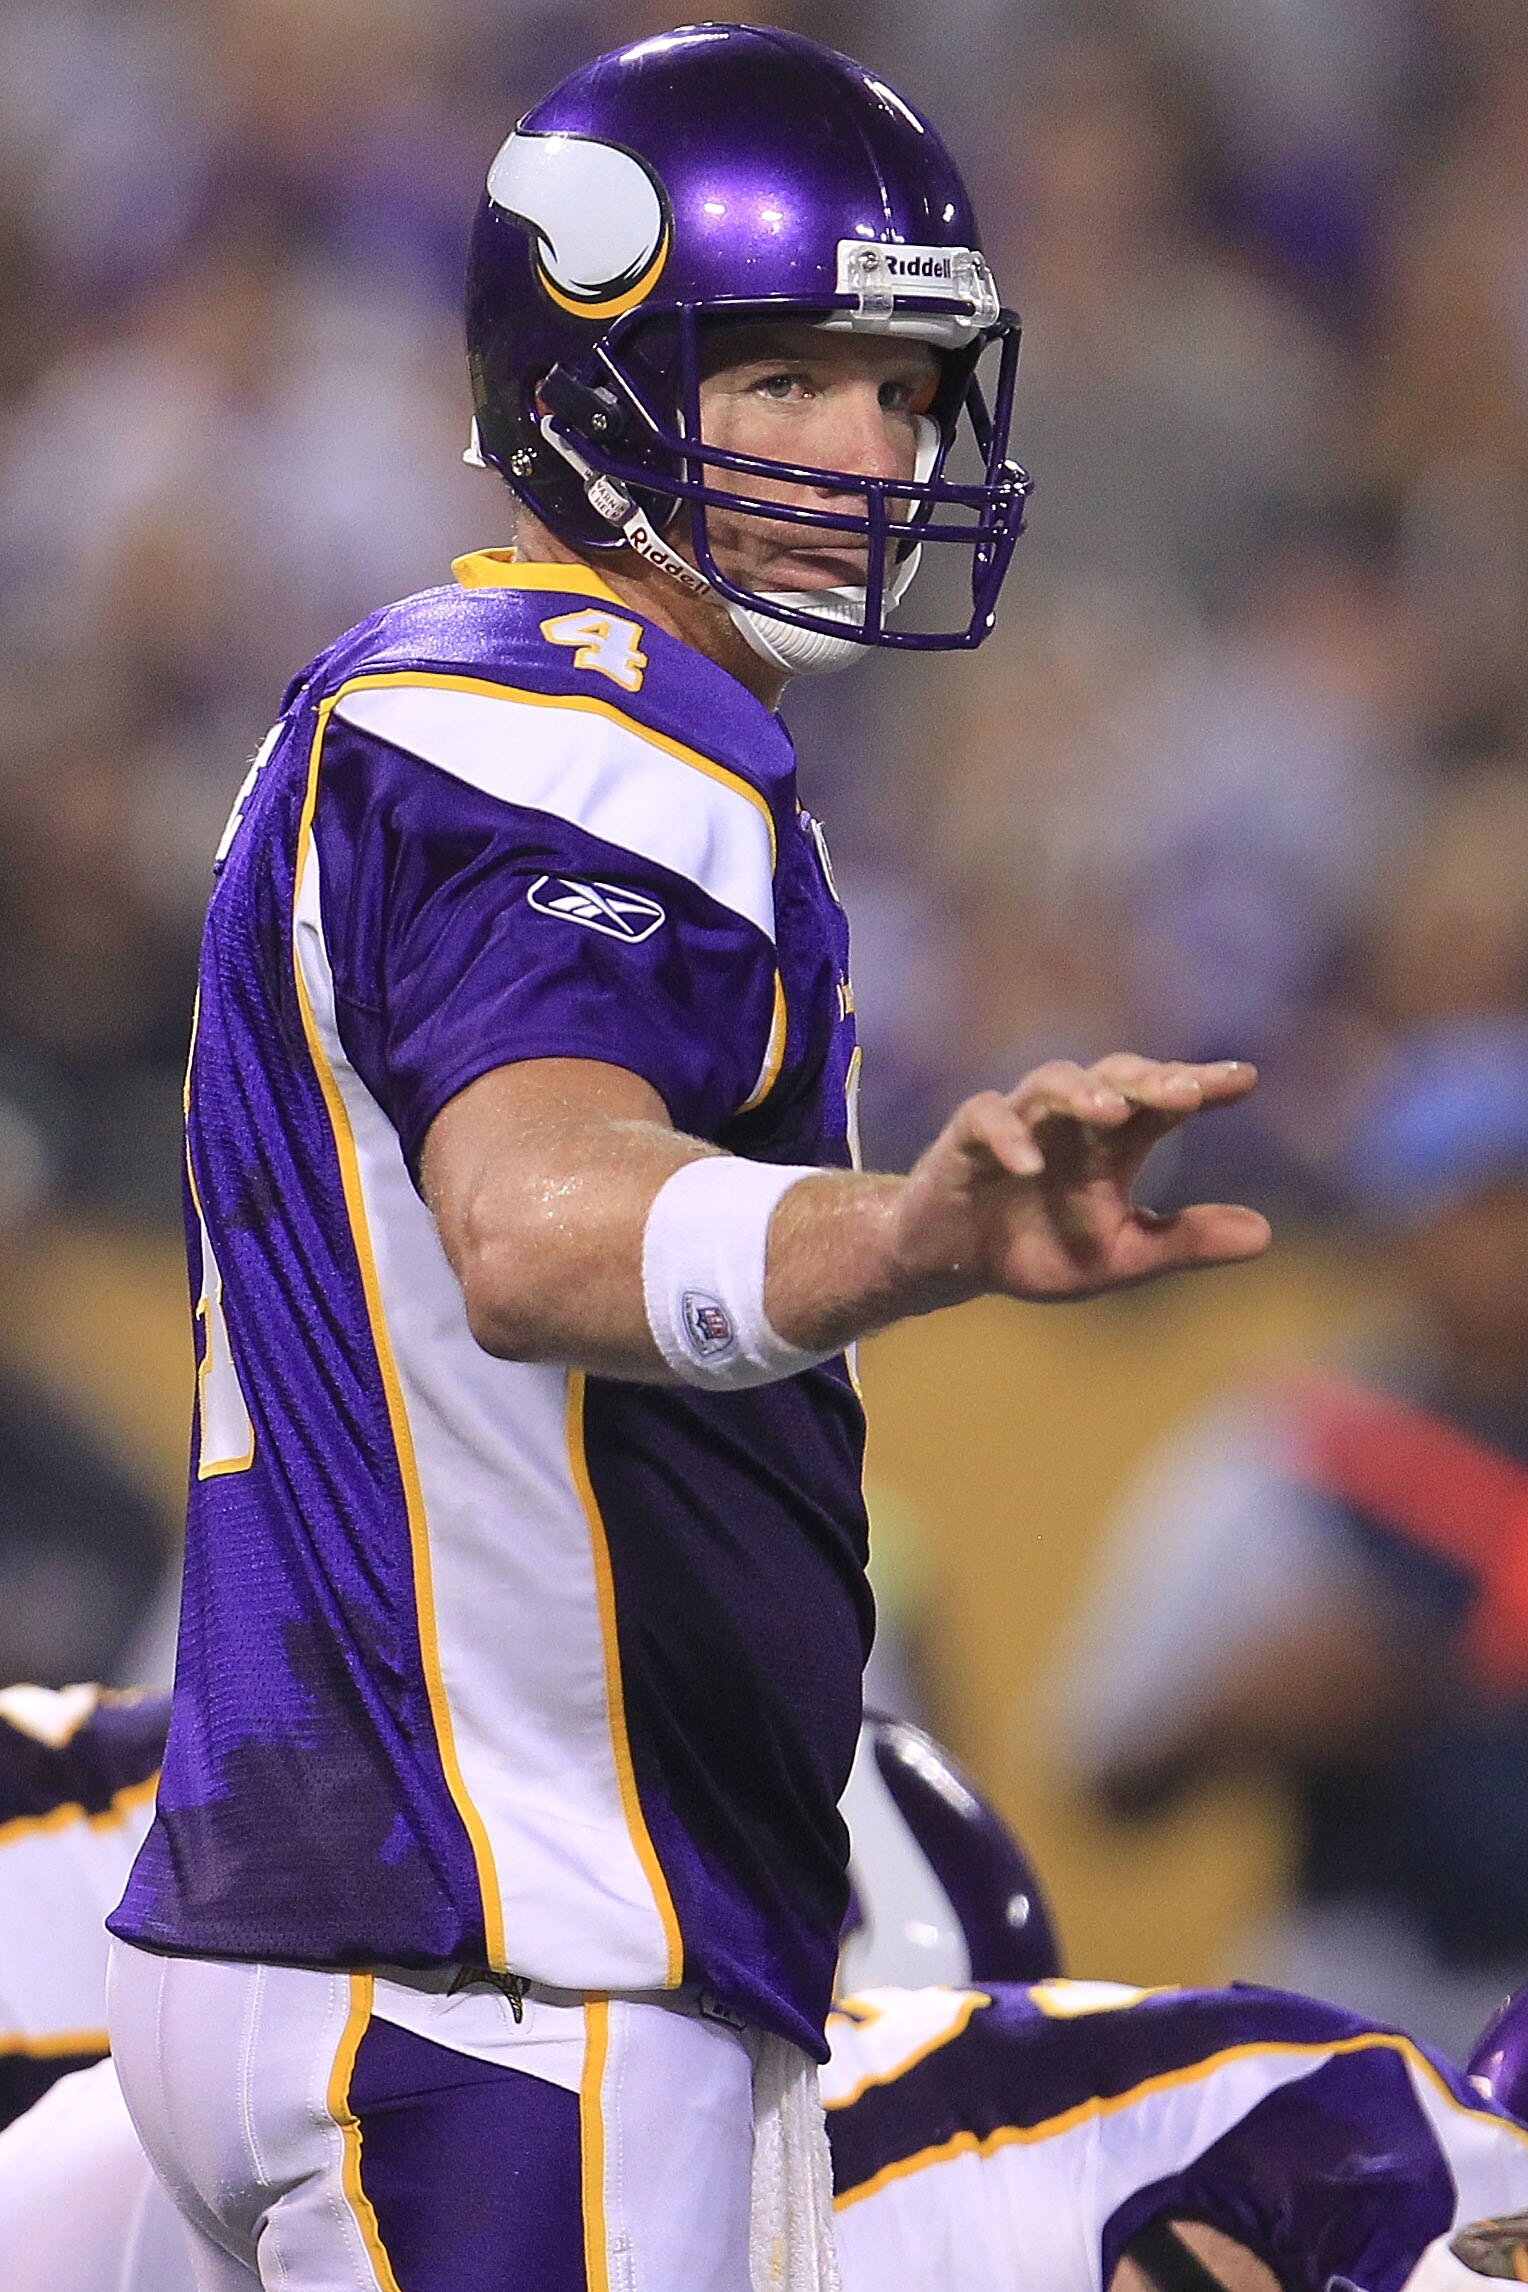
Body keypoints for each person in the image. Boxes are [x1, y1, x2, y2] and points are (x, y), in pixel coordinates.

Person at [101, 25, 1270, 2290]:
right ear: (597, 368)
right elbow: (535, 1229)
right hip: (503, 1955)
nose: (879, 443)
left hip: (341, 1916)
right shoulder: (581, 723)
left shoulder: (427, 700)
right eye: (798, 379)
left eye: (908, 389)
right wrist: (910, 1229)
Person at [1048, 1015, 1528, 2060]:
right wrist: (1246, 1705)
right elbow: (1099, 1759)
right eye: (1486, 1204)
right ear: (1404, 1229)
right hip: (1373, 1999)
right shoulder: (1292, 1453)